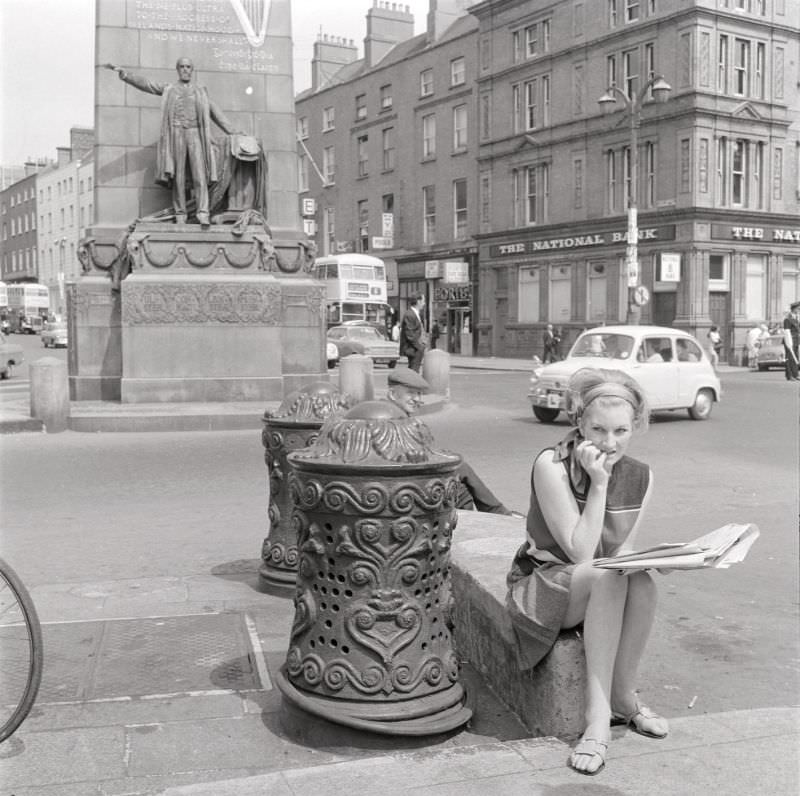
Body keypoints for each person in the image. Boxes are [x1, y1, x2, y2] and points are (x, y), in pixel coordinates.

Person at [507, 367, 667, 776]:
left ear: (636, 427)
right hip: (543, 586)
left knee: (642, 582)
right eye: (597, 429)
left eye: (621, 431)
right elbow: (580, 553)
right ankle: (598, 721)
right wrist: (598, 484)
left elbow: (620, 552)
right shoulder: (552, 465)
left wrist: (653, 561)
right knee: (604, 574)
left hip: (596, 583)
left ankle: (624, 697)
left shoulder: (642, 476)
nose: (608, 443)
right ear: (578, 422)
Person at [106, 58, 238, 227]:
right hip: (176, 133)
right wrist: (125, 75)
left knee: (200, 176)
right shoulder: (170, 89)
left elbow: (215, 112)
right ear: (177, 69)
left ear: (192, 70)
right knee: (179, 177)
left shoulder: (200, 92)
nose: (185, 70)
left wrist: (233, 131)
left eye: (188, 67)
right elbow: (148, 85)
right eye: (182, 67)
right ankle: (180, 213)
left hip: (195, 134)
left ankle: (203, 212)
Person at [386, 367, 520, 515]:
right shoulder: (386, 417)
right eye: (410, 393)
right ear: (392, 394)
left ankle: (493, 513)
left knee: (459, 481)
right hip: (400, 483)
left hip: (408, 478)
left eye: (418, 393)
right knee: (460, 476)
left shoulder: (399, 414)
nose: (417, 399)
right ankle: (496, 512)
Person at [400, 293, 427, 372]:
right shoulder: (410, 314)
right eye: (423, 301)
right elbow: (410, 334)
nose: (424, 303)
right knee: (414, 370)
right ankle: (411, 384)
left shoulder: (416, 314)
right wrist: (419, 347)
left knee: (414, 369)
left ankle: (412, 383)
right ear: (418, 301)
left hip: (415, 348)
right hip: (413, 349)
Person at [782, 302, 800, 381]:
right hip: (789, 341)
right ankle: (789, 375)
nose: (799, 310)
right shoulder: (787, 319)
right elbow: (787, 332)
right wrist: (789, 343)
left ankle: (795, 374)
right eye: (798, 309)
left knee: (795, 357)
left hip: (796, 340)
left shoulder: (795, 319)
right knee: (789, 358)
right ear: (794, 309)